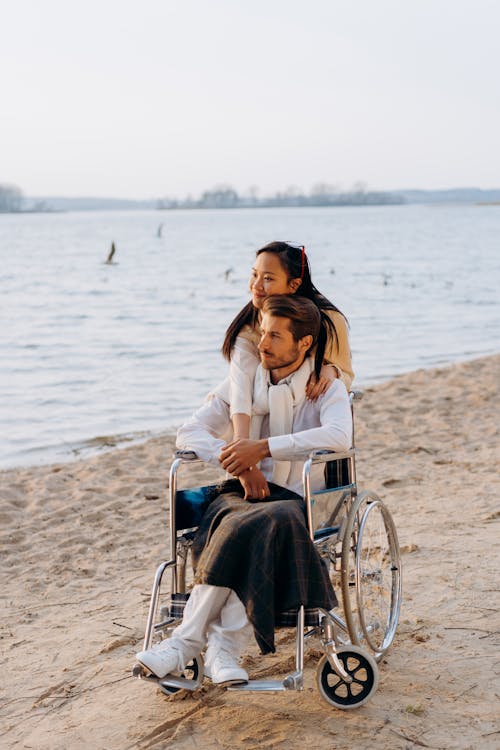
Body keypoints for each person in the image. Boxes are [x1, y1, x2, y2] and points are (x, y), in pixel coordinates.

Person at [136, 295, 353, 687]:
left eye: (274, 336)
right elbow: (188, 432)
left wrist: (265, 447)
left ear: (303, 343)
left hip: (296, 498)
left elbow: (339, 435)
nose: (263, 344)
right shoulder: (242, 384)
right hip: (242, 492)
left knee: (262, 522)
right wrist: (235, 457)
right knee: (243, 520)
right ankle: (219, 649)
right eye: (262, 333)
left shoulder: (324, 387)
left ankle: (189, 644)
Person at [222, 241, 353, 461]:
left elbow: (346, 374)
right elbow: (241, 385)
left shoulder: (330, 321)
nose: (256, 285)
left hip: (307, 421)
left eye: (268, 278)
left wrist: (332, 371)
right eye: (254, 275)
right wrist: (241, 445)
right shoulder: (248, 324)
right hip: (261, 417)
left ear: (293, 285)